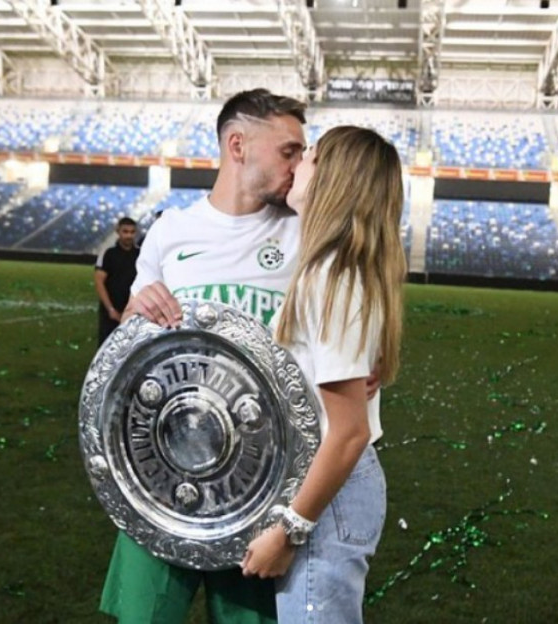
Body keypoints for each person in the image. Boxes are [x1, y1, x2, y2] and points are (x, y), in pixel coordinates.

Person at [100, 88, 309, 624]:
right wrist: (136, 313)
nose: (298, 165)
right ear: (238, 145)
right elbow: (128, 349)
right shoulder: (172, 231)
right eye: (288, 150)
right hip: (163, 475)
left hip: (261, 482)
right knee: (143, 617)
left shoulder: (304, 233)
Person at [240, 126, 405, 624]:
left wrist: (290, 529)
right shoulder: (340, 268)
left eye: (308, 157)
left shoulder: (331, 274)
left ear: (333, 178)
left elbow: (349, 431)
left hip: (327, 490)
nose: (296, 167)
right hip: (329, 485)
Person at [94, 216, 139, 346]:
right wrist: (110, 309)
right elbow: (99, 281)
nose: (129, 236)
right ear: (118, 232)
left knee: (132, 346)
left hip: (133, 309)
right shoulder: (109, 253)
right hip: (112, 311)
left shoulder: (140, 254)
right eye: (125, 231)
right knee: (108, 346)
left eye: (132, 232)